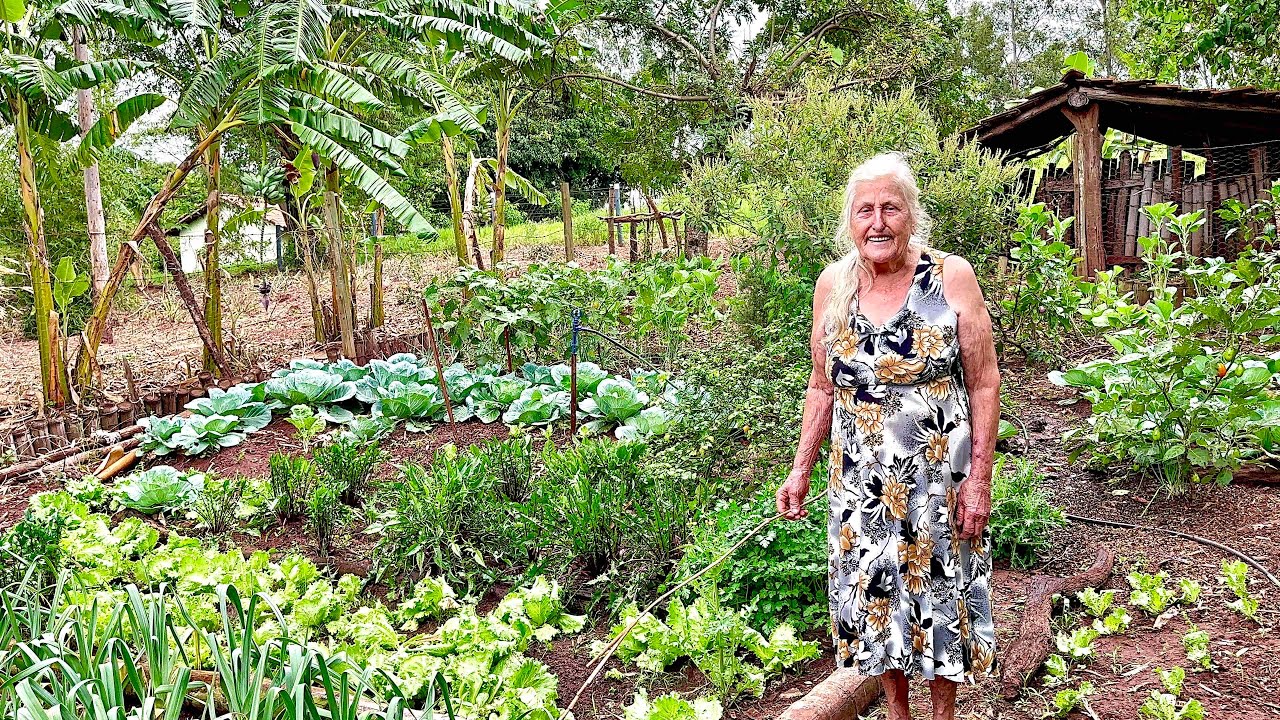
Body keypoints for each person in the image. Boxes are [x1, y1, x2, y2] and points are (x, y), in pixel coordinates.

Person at [776, 152, 999, 720]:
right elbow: (821, 387)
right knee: (880, 606)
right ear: (850, 221)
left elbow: (984, 382)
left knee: (941, 603)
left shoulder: (951, 277)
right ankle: (897, 714)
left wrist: (979, 482)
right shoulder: (834, 287)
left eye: (890, 208)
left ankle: (943, 716)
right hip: (862, 490)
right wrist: (800, 471)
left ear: (911, 215)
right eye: (865, 210)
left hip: (936, 487)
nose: (878, 222)